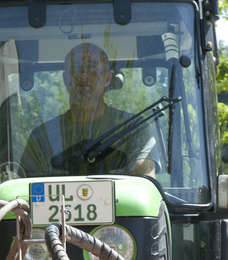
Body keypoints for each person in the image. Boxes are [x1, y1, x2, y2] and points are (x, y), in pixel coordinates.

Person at [19, 42, 155, 178]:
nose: (83, 74)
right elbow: (24, 190)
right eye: (76, 68)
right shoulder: (43, 136)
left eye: (92, 67)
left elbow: (145, 185)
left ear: (107, 78)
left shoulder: (134, 129)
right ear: (65, 79)